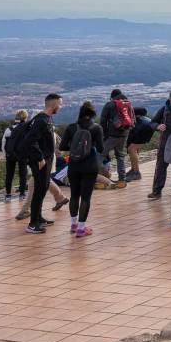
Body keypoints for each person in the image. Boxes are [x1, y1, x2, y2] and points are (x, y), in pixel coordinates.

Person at [58, 101, 105, 238]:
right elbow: (101, 149)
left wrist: (75, 148)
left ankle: (73, 224)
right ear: (92, 114)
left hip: (73, 165)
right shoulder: (96, 128)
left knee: (74, 195)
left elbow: (62, 147)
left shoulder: (72, 127)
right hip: (90, 166)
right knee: (86, 197)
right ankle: (81, 228)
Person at [20, 94, 63, 233]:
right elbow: (29, 141)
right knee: (39, 190)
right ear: (54, 104)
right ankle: (33, 224)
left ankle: (38, 217)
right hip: (40, 161)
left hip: (46, 159)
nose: (60, 107)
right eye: (60, 104)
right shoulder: (41, 120)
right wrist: (39, 157)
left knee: (43, 188)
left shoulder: (46, 119)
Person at [98, 89, 133, 184]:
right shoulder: (127, 103)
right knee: (120, 156)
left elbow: (103, 121)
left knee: (100, 155)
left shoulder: (110, 104)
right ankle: (122, 179)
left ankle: (94, 177)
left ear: (112, 96)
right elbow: (132, 120)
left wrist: (104, 135)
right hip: (124, 134)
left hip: (112, 135)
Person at [2, 109, 30, 201]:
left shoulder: (9, 129)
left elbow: (4, 143)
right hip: (22, 154)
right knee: (23, 174)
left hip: (10, 155)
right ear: (25, 118)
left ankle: (8, 195)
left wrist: (6, 154)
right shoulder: (26, 129)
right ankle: (22, 194)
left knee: (9, 175)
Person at [125, 106, 152, 183]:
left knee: (131, 149)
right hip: (144, 132)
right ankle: (133, 169)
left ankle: (136, 172)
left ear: (137, 115)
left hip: (143, 132)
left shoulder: (139, 121)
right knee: (132, 149)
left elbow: (134, 131)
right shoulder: (145, 119)